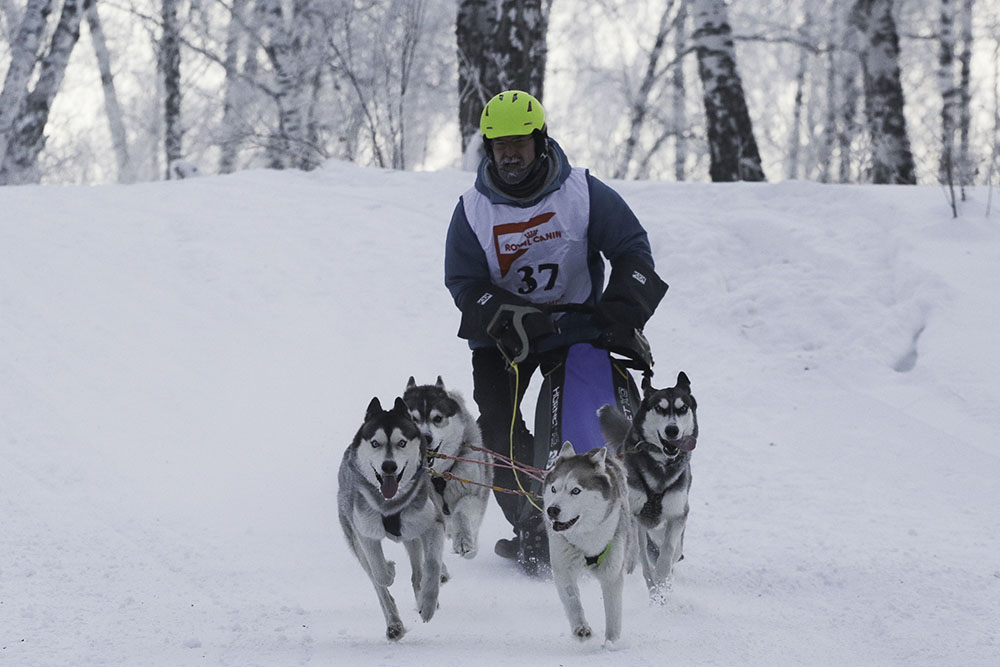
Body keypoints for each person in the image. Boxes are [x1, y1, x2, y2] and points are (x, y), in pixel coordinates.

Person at [444, 90, 667, 575]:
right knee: (498, 427)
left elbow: (632, 248)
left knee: (584, 416)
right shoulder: (472, 210)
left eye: (519, 143)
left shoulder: (583, 193)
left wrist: (623, 308)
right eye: (498, 144)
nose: (509, 153)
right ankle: (533, 526)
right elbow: (462, 283)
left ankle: (622, 516)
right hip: (503, 335)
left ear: (540, 141)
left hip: (576, 325)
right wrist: (501, 312)